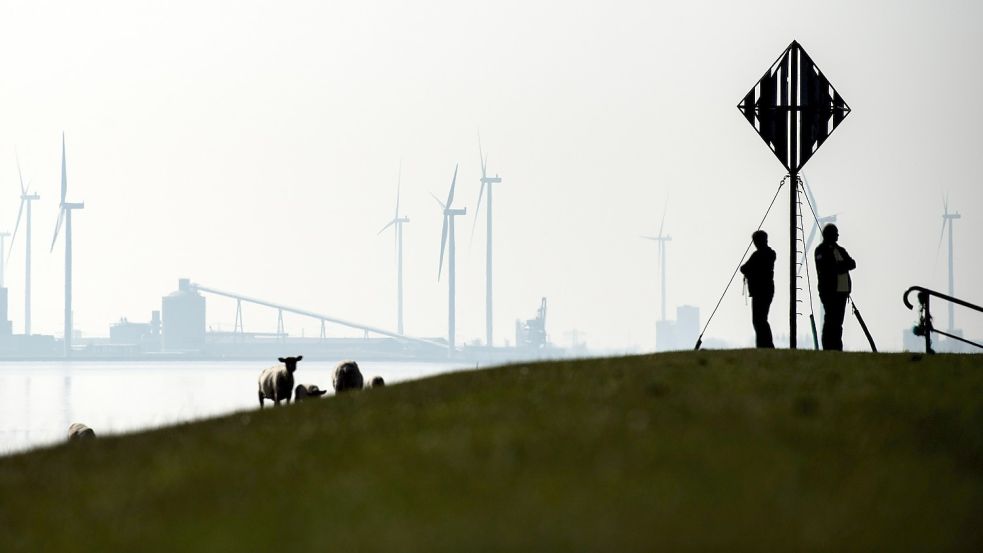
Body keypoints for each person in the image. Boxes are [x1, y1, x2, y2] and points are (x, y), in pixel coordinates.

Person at [814, 224, 856, 351]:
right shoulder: (821, 250)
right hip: (829, 292)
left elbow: (852, 263)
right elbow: (827, 268)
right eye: (835, 233)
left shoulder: (840, 250)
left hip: (842, 292)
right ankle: (828, 346)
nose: (837, 235)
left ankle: (837, 347)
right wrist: (841, 266)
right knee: (830, 320)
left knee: (838, 322)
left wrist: (839, 266)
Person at [740, 230, 776, 348]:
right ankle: (764, 345)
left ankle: (765, 345)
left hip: (760, 292)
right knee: (761, 319)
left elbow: (744, 268)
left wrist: (751, 271)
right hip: (766, 290)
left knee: (759, 320)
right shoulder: (770, 253)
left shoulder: (758, 255)